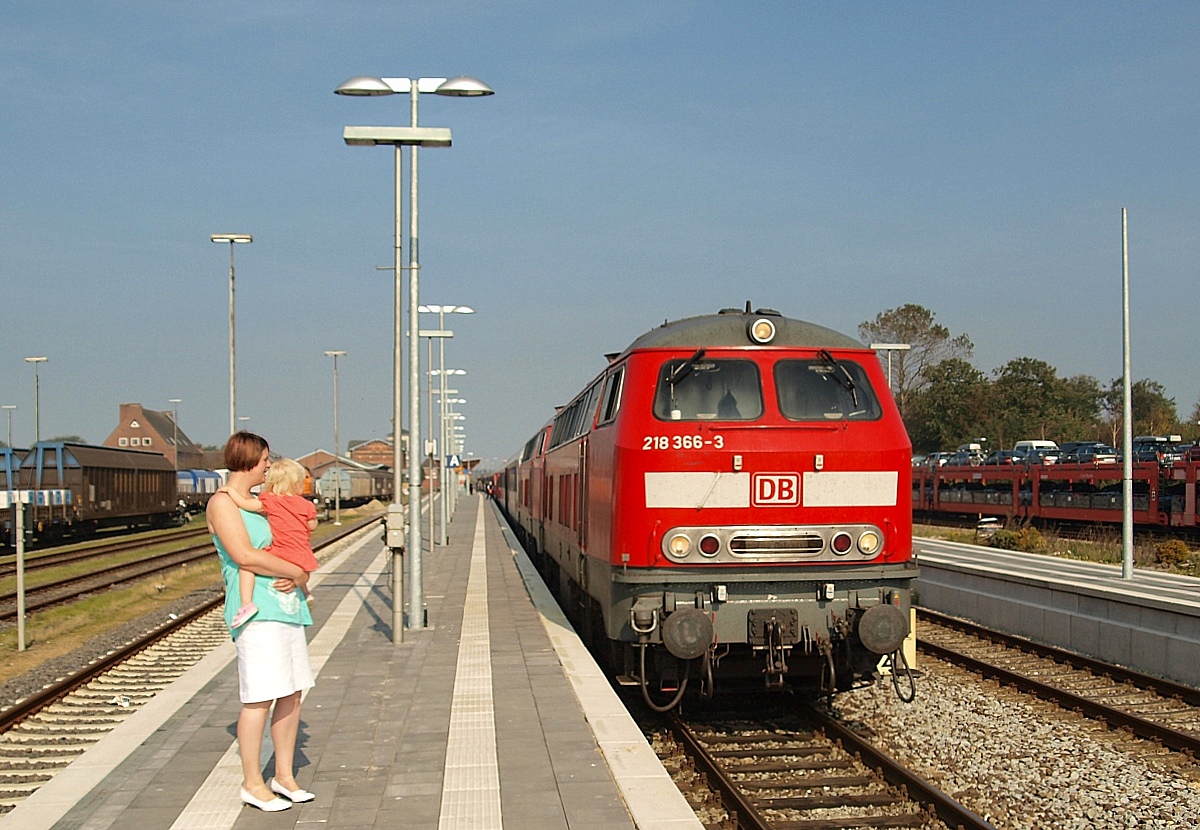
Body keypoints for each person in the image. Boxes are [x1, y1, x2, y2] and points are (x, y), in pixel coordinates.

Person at [208, 432, 315, 812]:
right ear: (250, 459)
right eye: (266, 459)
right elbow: (244, 555)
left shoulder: (259, 503)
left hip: (286, 608)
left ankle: (283, 776)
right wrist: (297, 572)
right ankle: (252, 783)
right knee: (259, 697)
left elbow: (293, 536)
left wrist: (298, 572)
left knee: (291, 691)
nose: (269, 465)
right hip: (254, 612)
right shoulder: (222, 503)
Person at [221, 457, 319, 630]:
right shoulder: (306, 504)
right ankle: (306, 593)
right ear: (296, 483)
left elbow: (245, 504)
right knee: (296, 566)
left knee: (247, 565)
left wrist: (229, 491)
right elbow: (312, 525)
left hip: (281, 551)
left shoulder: (271, 500)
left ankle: (246, 604)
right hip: (302, 553)